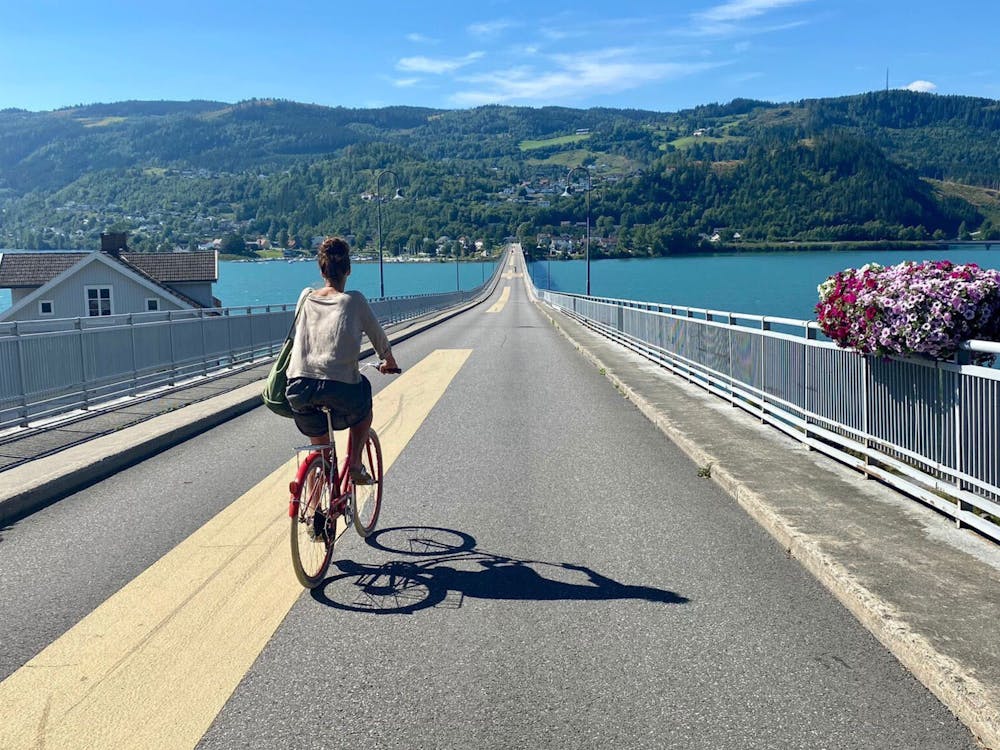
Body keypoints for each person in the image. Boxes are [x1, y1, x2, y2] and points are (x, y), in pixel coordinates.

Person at [285, 237, 399, 483]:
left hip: (298, 388)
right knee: (364, 398)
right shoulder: (354, 300)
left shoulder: (305, 297)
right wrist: (388, 360)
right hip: (340, 389)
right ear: (348, 269)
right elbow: (378, 336)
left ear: (321, 268)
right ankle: (356, 465)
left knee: (321, 451)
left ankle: (316, 509)